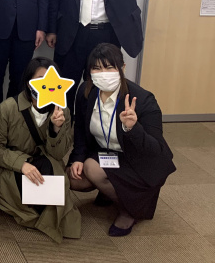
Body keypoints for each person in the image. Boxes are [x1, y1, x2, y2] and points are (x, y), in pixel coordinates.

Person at [68, 43, 176, 236]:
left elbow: (155, 150)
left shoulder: (143, 100)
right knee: (74, 178)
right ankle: (109, 191)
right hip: (108, 153)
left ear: (122, 68)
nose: (103, 74)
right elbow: (80, 131)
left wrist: (132, 128)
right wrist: (77, 159)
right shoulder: (86, 91)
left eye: (110, 67)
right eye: (97, 68)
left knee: (92, 168)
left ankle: (129, 210)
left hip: (138, 160)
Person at [0, 57, 81, 243]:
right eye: (40, 79)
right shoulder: (7, 109)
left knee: (54, 182)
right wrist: (21, 164)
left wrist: (56, 129)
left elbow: (59, 154)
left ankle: (43, 209)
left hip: (45, 163)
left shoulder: (63, 111)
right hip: (10, 167)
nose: (46, 85)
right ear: (28, 82)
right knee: (24, 197)